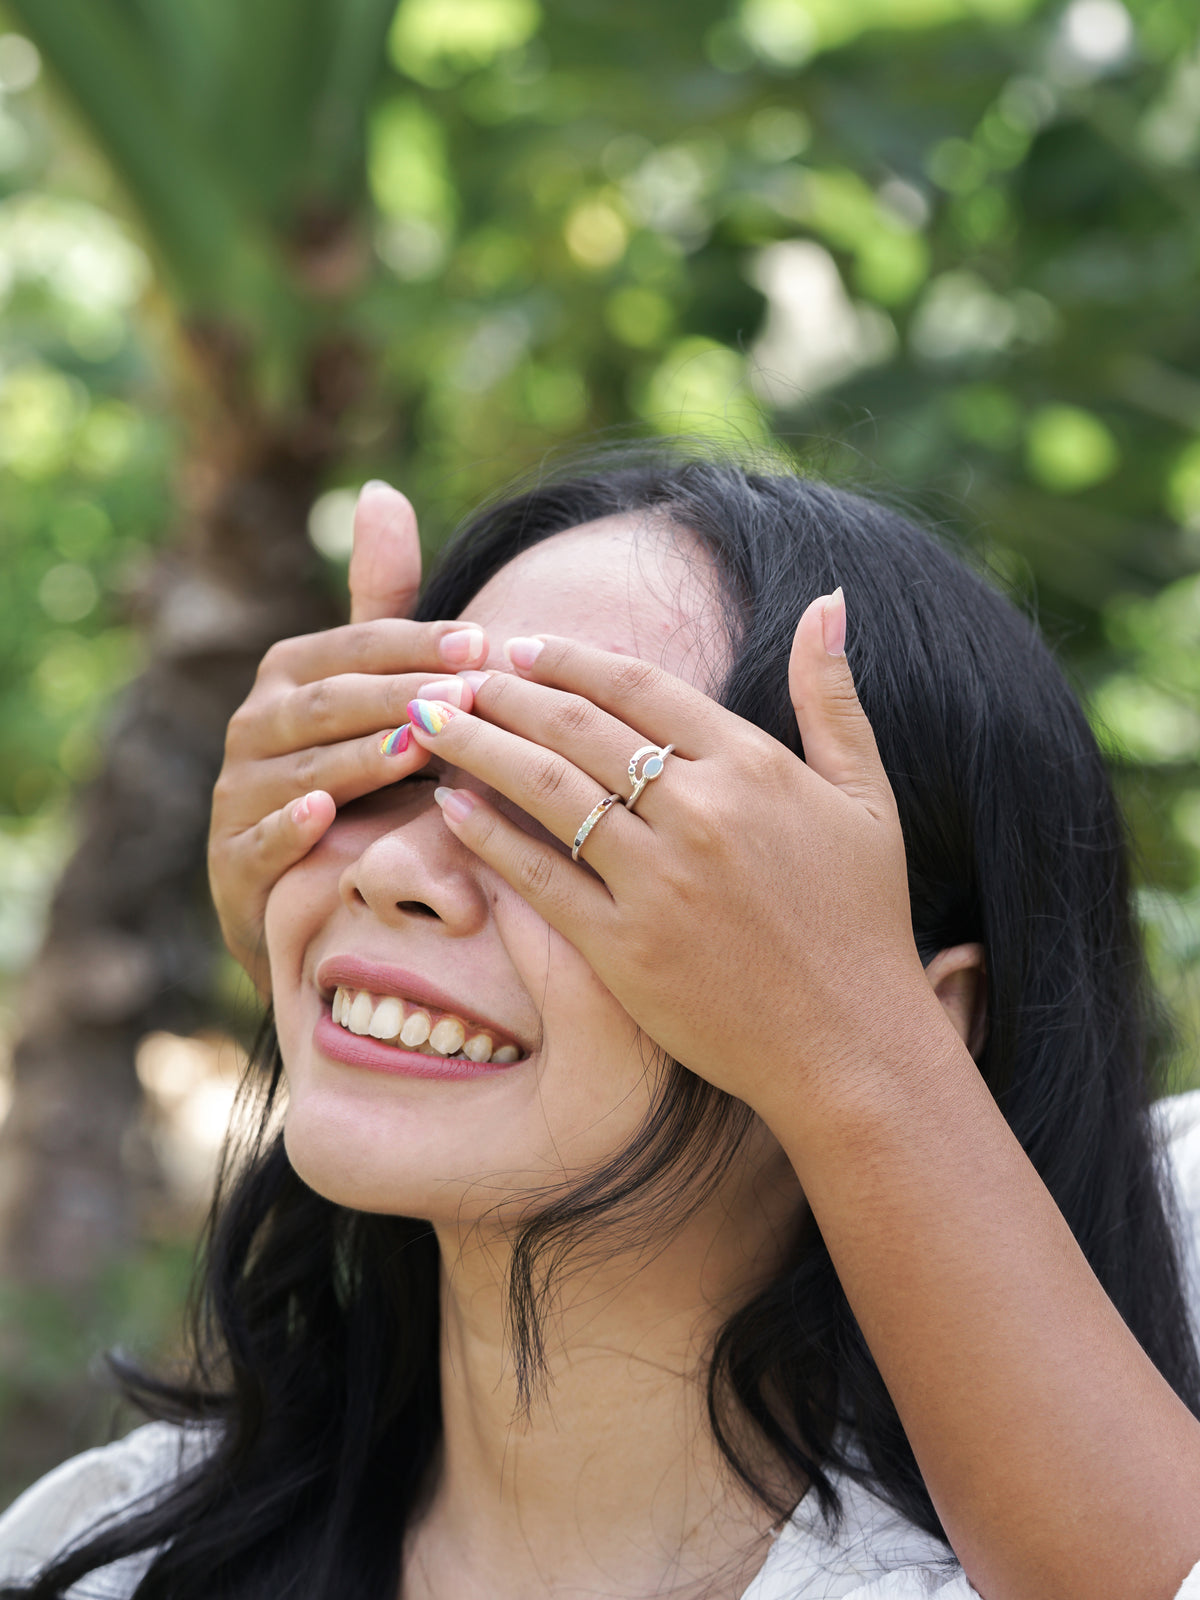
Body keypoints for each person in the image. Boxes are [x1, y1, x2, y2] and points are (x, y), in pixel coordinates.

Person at [3, 453, 1200, 1600]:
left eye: (572, 808)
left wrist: (869, 1070)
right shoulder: (89, 1556)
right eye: (391, 770)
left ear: (924, 1018)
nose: (393, 869)